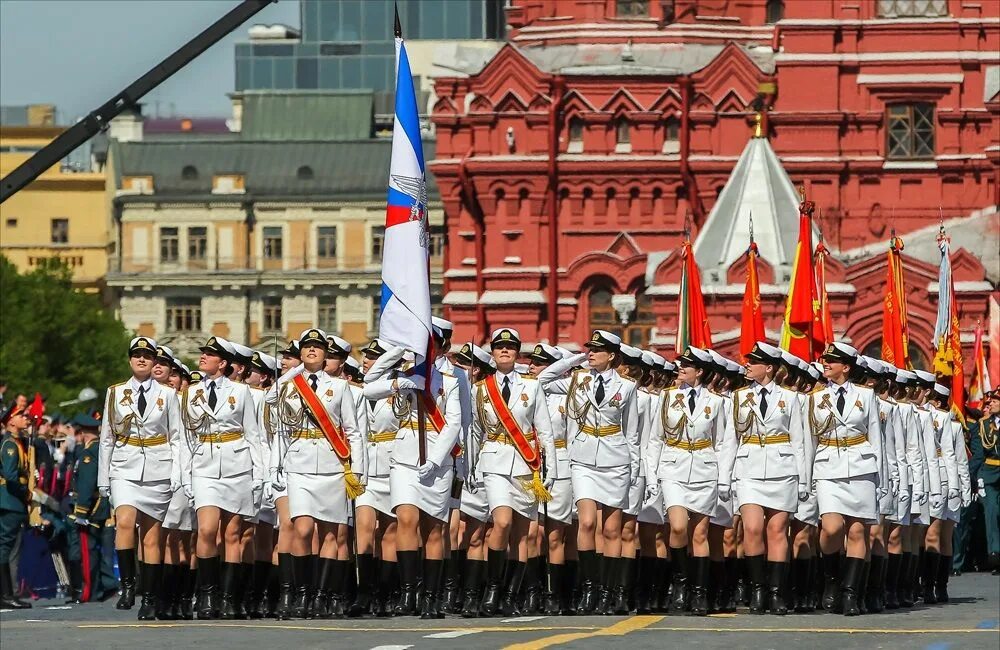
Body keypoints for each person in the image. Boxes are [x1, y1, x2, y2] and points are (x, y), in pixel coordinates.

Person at [537, 330, 640, 615]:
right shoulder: (578, 380)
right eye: (589, 349)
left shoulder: (627, 387)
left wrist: (634, 468)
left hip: (615, 459)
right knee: (585, 524)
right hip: (582, 459)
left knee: (611, 528)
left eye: (597, 350)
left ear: (612, 355)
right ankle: (590, 588)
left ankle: (609, 591)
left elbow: (631, 432)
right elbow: (543, 380)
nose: (591, 353)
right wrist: (575, 359)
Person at [266, 328, 365, 619]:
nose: (312, 351)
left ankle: (322, 595)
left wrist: (358, 469)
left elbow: (354, 432)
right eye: (306, 347)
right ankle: (302, 593)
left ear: (325, 355)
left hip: (332, 465)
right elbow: (276, 417)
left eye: (317, 348)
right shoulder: (288, 386)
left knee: (330, 533)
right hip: (299, 464)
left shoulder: (340, 387)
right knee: (303, 528)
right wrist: (276, 465)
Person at [363, 341, 462, 619]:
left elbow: (455, 422)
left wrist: (437, 459)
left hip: (437, 459)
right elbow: (369, 386)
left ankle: (431, 597)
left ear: (440, 349)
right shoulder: (405, 374)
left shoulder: (451, 381)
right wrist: (397, 372)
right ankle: (409, 592)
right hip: (405, 454)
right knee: (406, 518)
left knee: (433, 529)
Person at [471, 328, 557, 617]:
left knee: (522, 534)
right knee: (503, 522)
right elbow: (474, 431)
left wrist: (551, 470)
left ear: (517, 351)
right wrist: (470, 466)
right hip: (494, 461)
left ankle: (510, 595)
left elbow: (545, 430)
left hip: (526, 464)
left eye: (510, 346)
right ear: (493, 353)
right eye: (499, 347)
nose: (504, 351)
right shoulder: (481, 388)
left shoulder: (531, 387)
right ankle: (492, 590)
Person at [98, 336, 183, 619]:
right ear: (130, 359)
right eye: (137, 355)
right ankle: (127, 585)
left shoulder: (168, 395)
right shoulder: (115, 392)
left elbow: (177, 438)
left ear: (154, 361)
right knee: (124, 521)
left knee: (151, 537)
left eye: (148, 355)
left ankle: (150, 597)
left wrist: (178, 474)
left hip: (158, 467)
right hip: (124, 466)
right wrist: (104, 478)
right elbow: (106, 439)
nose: (142, 359)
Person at [647, 346, 736, 616]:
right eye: (680, 364)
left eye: (687, 366)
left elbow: (724, 442)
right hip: (673, 467)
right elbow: (655, 439)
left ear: (700, 371)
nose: (681, 368)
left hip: (705, 469)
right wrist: (652, 476)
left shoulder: (718, 402)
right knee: (676, 527)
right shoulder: (667, 397)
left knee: (699, 533)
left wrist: (723, 478)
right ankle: (681, 583)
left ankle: (699, 593)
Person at [181, 336, 265, 620]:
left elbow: (254, 434)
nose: (203, 357)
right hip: (204, 463)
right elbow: (185, 438)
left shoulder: (241, 392)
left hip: (236, 464)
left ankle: (230, 598)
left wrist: (259, 474)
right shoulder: (191, 393)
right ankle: (207, 594)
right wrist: (184, 475)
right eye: (203, 353)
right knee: (206, 530)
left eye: (209, 354)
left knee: (232, 532)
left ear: (223, 363)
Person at [729, 341, 808, 615]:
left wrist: (804, 479)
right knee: (751, 528)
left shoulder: (790, 398)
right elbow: (730, 441)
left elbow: (799, 441)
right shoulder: (738, 397)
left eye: (754, 361)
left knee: (777, 531)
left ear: (769, 368)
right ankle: (758, 589)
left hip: (782, 469)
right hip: (749, 468)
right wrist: (725, 478)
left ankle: (776, 593)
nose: (747, 365)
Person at [808, 343, 883, 617]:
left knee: (857, 531)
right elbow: (809, 442)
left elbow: (876, 438)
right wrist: (808, 479)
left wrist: (881, 478)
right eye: (825, 360)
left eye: (831, 360)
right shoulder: (814, 399)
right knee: (830, 528)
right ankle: (831, 579)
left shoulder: (866, 396)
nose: (825, 363)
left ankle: (851, 592)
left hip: (861, 467)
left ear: (846, 366)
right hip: (828, 466)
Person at [350, 339, 399, 618]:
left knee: (390, 532)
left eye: (375, 356)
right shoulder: (356, 391)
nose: (368, 360)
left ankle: (386, 591)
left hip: (393, 463)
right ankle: (364, 592)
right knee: (364, 529)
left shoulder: (398, 390)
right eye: (367, 356)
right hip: (366, 466)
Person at [65, 412, 112, 603]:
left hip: (90, 508)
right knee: (92, 551)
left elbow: (86, 483)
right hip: (98, 506)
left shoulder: (89, 452)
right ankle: (101, 587)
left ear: (83, 433)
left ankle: (88, 592)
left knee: (87, 552)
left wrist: (81, 511)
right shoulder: (98, 449)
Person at [0, 405, 32, 609]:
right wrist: (25, 491)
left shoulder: (17, 443)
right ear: (10, 421)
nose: (25, 418)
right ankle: (6, 594)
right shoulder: (10, 445)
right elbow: (11, 476)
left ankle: (7, 593)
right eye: (20, 415)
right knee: (5, 547)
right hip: (10, 501)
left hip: (12, 501)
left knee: (8, 547)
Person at [970, 388, 1000, 573]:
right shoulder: (983, 424)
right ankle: (995, 555)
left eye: (996, 400)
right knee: (991, 512)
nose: (991, 403)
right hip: (989, 473)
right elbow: (979, 454)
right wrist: (975, 477)